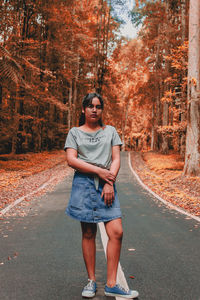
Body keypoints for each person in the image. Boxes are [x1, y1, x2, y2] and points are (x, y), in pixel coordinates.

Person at [64, 93, 139, 299]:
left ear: (102, 110)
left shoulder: (111, 131)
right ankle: (91, 281)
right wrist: (98, 172)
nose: (94, 110)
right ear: (83, 109)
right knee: (88, 234)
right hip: (83, 185)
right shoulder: (74, 132)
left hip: (107, 183)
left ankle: (112, 284)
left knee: (116, 232)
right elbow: (71, 159)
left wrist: (109, 181)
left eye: (98, 106)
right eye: (90, 106)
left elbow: (116, 159)